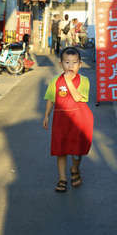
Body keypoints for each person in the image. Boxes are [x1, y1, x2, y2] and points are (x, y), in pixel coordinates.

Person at [43, 47, 94, 193]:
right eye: (67, 62)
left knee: (77, 151)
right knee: (61, 151)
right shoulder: (55, 81)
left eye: (74, 63)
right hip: (60, 121)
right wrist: (46, 115)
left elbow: (78, 97)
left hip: (79, 121)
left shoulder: (84, 81)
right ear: (61, 64)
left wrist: (68, 81)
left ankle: (74, 168)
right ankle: (62, 178)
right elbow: (51, 99)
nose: (70, 66)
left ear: (80, 64)